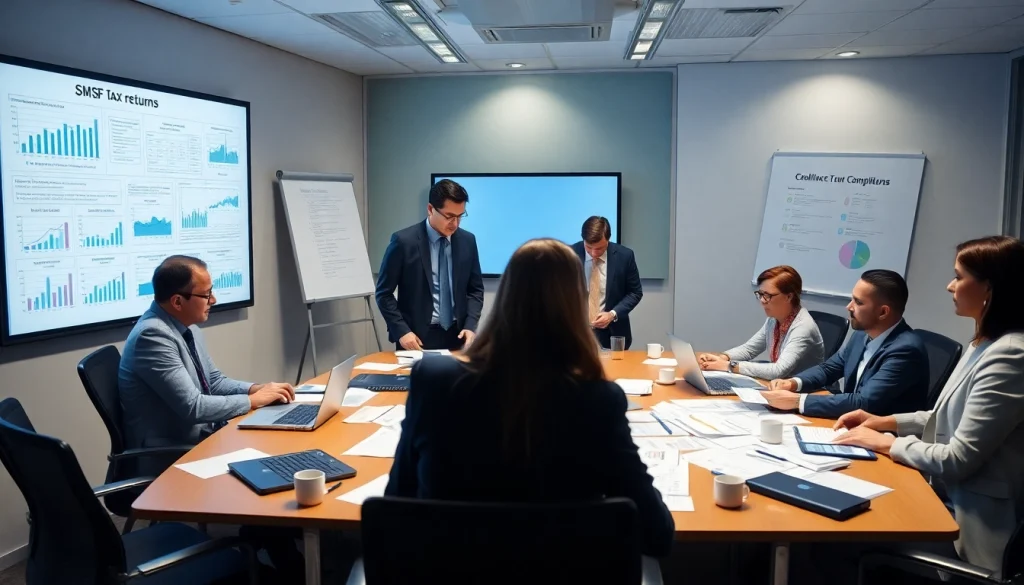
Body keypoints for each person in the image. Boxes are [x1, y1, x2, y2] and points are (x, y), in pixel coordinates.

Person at [386, 238, 674, 558]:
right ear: (576, 305)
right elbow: (657, 534)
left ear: (505, 297)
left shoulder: (434, 382)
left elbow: (396, 504)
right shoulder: (598, 400)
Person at [833, 236, 1024, 578]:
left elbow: (957, 459)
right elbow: (941, 417)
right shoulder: (984, 343)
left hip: (966, 525)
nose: (951, 286)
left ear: (989, 288)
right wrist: (883, 421)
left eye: (959, 276)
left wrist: (889, 443)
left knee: (835, 542)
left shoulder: (1010, 355)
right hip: (941, 497)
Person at [119, 255, 295, 475]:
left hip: (202, 441)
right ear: (177, 302)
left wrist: (254, 389)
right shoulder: (152, 336)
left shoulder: (186, 327)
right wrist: (252, 401)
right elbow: (193, 407)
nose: (214, 300)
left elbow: (213, 381)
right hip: (171, 458)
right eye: (206, 294)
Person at [761, 270, 929, 419]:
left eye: (858, 302)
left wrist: (797, 401)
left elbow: (863, 401)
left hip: (883, 440)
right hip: (852, 425)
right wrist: (793, 383)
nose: (849, 307)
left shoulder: (905, 350)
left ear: (883, 312)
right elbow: (829, 369)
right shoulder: (862, 334)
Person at [375, 179, 484, 351]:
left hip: (457, 337)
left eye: (460, 216)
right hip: (416, 339)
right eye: (449, 216)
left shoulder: (467, 241)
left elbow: (475, 290)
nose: (455, 224)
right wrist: (402, 332)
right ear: (430, 209)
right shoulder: (404, 242)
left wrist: (470, 326)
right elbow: (384, 293)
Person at [699, 265, 824, 380]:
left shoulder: (803, 327)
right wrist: (722, 358)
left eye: (768, 295)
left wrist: (729, 366)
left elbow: (778, 370)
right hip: (781, 386)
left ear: (788, 297)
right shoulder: (774, 319)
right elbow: (749, 350)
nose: (763, 301)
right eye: (760, 294)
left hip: (808, 393)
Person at [570, 216, 643, 349]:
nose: (593, 253)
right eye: (589, 247)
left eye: (599, 248)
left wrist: (612, 314)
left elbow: (635, 292)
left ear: (608, 240)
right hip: (575, 333)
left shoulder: (624, 256)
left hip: (612, 333)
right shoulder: (569, 255)